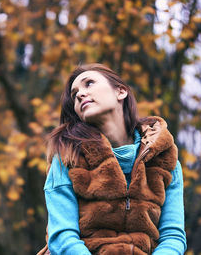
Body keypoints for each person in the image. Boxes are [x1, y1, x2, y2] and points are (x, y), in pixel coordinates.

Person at [38, 64, 187, 255]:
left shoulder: (165, 159)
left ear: (121, 91)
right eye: (75, 94)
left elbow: (173, 237)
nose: (80, 94)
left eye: (89, 83)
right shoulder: (68, 157)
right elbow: (62, 238)